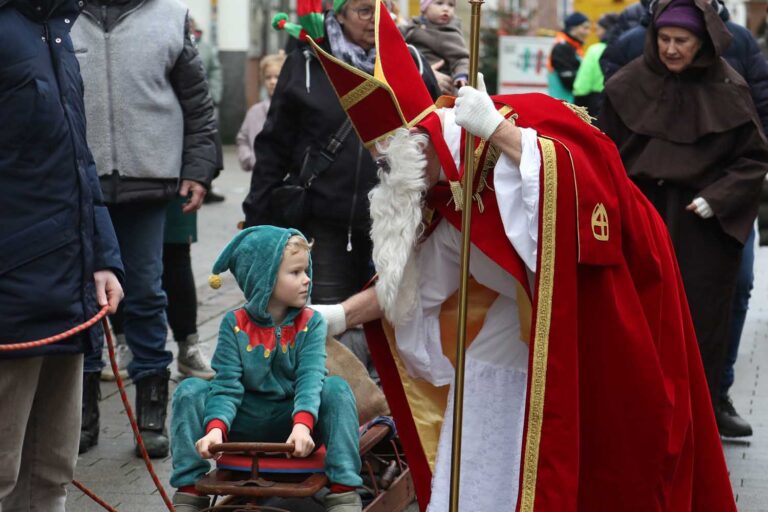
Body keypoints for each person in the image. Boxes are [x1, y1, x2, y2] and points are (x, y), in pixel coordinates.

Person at [308, 3, 736, 510]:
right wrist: (333, 316)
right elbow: (416, 285)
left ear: (420, 149)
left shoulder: (505, 128)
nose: (390, 182)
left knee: (620, 438)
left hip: (606, 299)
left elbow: (588, 187)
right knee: (482, 382)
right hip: (525, 311)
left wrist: (500, 132)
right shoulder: (444, 199)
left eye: (391, 165)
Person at [600, 0, 768, 440]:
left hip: (702, 226)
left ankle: (698, 415)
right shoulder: (627, 83)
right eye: (665, 40)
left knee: (699, 324)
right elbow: (603, 152)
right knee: (636, 321)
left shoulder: (729, 87)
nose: (672, 49)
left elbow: (752, 158)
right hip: (640, 219)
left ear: (703, 42)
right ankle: (634, 418)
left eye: (682, 41)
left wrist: (719, 198)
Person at [243, 0, 438, 370]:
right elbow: (274, 145)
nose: (375, 19)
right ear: (339, 13)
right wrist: (256, 219)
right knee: (328, 328)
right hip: (326, 224)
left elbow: (434, 133)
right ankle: (333, 414)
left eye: (382, 9)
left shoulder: (408, 61)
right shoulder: (307, 63)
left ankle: (386, 419)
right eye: (365, 10)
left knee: (396, 327)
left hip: (396, 226)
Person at [72, 0, 219, 457]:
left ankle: (152, 406)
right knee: (80, 297)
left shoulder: (170, 18)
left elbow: (198, 105)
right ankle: (81, 412)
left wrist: (197, 170)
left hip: (148, 181)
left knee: (146, 293)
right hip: (78, 182)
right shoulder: (59, 16)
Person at [0, 0, 124, 509]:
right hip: (13, 291)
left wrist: (102, 257)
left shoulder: (54, 30)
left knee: (52, 468)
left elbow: (77, 159)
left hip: (67, 284)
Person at [169, 226, 363, 512]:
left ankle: (344, 491)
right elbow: (226, 386)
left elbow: (310, 378)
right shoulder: (233, 324)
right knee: (190, 390)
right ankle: (189, 490)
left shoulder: (311, 322)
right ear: (263, 279)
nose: (306, 280)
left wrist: (302, 426)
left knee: (336, 389)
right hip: (243, 423)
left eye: (305, 271)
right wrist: (215, 429)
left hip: (294, 426)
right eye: (295, 273)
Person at [402, 0, 469, 94]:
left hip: (438, 88)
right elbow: (395, 34)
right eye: (439, 3)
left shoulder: (448, 33)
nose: (446, 9)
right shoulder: (413, 24)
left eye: (451, 5)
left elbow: (461, 58)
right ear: (424, 8)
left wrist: (461, 75)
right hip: (415, 77)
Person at [236, 51, 287, 172]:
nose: (272, 82)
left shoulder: (293, 109)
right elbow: (242, 138)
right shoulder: (255, 112)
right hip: (260, 176)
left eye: (277, 77)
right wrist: (249, 159)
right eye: (268, 77)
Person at [572, 13, 620, 116]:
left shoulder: (595, 50)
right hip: (618, 101)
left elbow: (582, 86)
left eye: (598, 29)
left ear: (606, 30)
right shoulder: (622, 47)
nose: (596, 33)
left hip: (594, 103)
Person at [547, 11, 590, 101]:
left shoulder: (573, 47)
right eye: (585, 28)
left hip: (569, 104)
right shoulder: (562, 48)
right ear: (573, 28)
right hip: (564, 105)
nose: (588, 32)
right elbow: (569, 81)